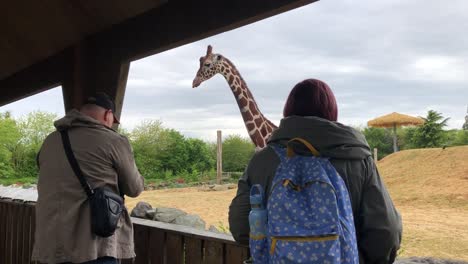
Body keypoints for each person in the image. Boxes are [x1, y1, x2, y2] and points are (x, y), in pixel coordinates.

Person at [229, 79, 402, 263]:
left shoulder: (262, 161)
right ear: (332, 112)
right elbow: (386, 234)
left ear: (288, 111)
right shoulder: (358, 159)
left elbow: (241, 228)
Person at [32, 92, 145, 264]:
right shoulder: (113, 140)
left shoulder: (50, 141)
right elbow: (134, 188)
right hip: (93, 247)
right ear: (108, 115)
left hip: (51, 245)